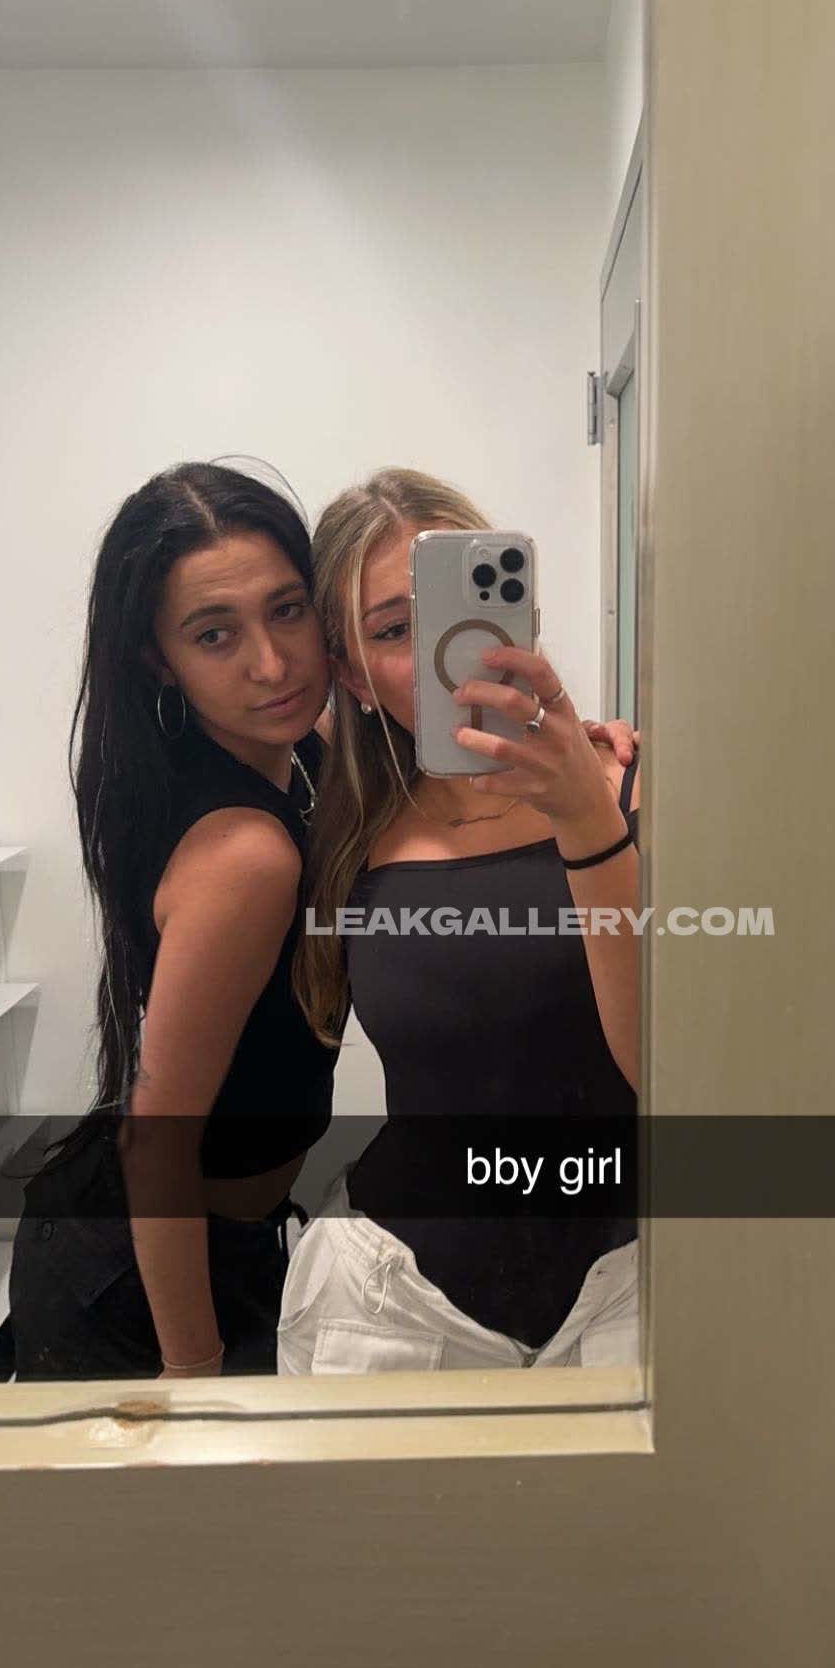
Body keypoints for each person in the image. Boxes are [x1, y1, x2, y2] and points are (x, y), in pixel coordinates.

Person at [277, 468, 643, 1375]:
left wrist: (590, 822)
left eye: (464, 609)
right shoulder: (339, 825)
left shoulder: (633, 787)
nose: (447, 652)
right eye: (393, 631)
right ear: (352, 675)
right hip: (400, 1309)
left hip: (632, 1289)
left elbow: (671, 1073)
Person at [9, 462, 339, 1379]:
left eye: (288, 610)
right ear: (160, 658)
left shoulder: (291, 757)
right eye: (214, 634)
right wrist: (191, 1371)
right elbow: (156, 1140)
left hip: (213, 1242)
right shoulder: (245, 854)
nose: (271, 663)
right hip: (136, 1281)